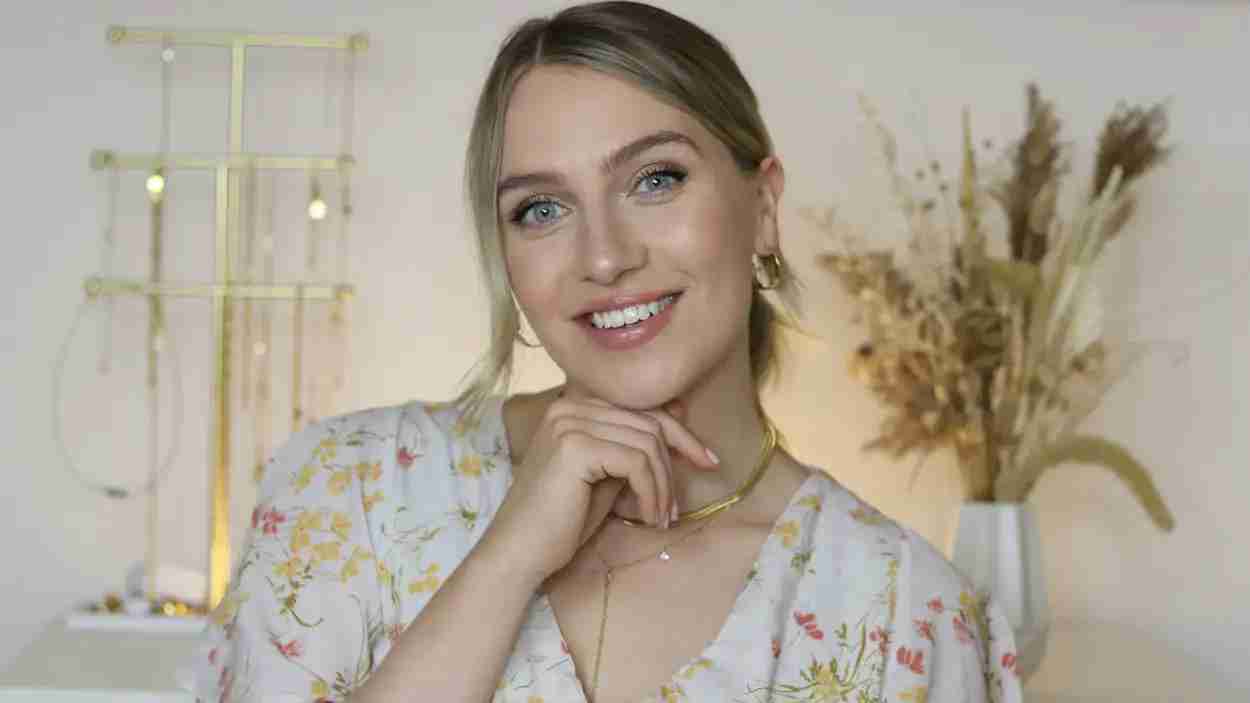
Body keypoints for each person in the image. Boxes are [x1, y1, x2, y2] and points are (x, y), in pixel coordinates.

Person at [187, 3, 1024, 701]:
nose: (604, 256)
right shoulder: (348, 493)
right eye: (541, 209)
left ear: (764, 208)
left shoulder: (906, 613)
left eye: (655, 179)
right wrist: (507, 558)